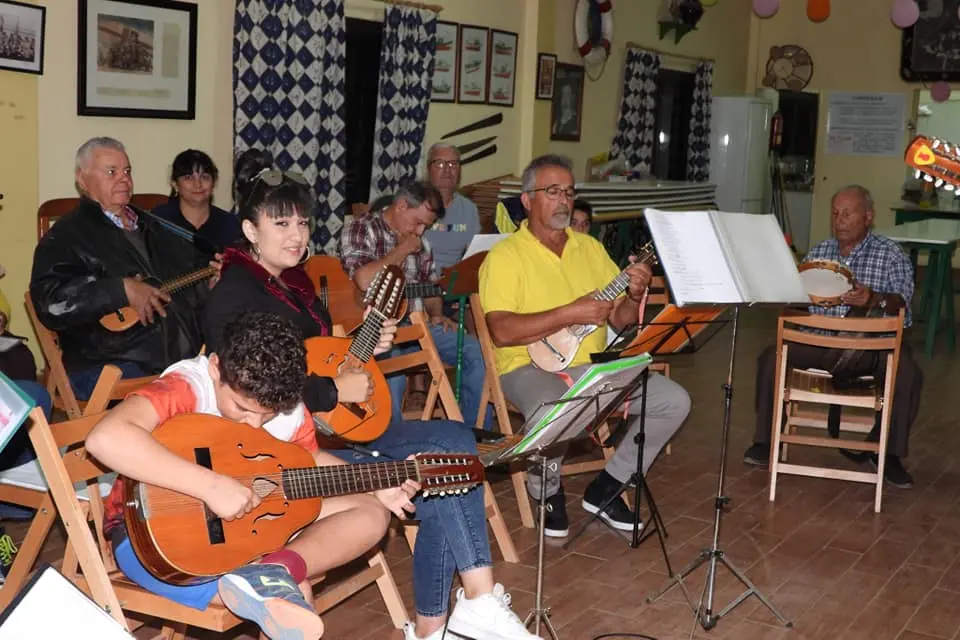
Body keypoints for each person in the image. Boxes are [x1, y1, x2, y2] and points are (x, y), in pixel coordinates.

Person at [205, 168, 539, 640]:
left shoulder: (293, 284)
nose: (297, 235)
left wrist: (364, 347)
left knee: (455, 439)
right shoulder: (233, 294)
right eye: (281, 224)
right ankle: (444, 620)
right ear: (249, 230)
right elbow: (244, 389)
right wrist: (334, 391)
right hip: (285, 450)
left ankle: (456, 614)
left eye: (302, 223)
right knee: (442, 464)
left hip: (330, 427)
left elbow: (317, 357)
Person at [86, 311, 415, 639]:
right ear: (216, 368)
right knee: (290, 600)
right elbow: (105, 439)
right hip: (150, 541)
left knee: (372, 512)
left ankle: (275, 570)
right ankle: (272, 582)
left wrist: (376, 486)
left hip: (251, 528)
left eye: (267, 414)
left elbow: (310, 459)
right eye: (242, 409)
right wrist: (210, 485)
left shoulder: (286, 402)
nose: (254, 425)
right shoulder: (187, 387)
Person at [478, 154, 691, 538]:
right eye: (553, 191)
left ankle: (608, 486)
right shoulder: (505, 256)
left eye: (570, 193)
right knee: (562, 406)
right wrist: (568, 312)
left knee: (673, 400)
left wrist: (633, 294)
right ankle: (547, 490)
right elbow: (502, 332)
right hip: (527, 366)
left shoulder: (589, 248)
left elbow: (619, 319)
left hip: (594, 365)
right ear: (527, 200)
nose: (564, 200)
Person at [743, 185, 922, 488]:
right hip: (819, 340)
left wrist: (874, 298)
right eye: (836, 213)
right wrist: (785, 291)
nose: (840, 220)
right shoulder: (820, 252)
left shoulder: (891, 253)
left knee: (907, 373)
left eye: (848, 213)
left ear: (868, 216)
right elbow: (799, 298)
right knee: (771, 358)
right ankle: (765, 442)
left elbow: (902, 303)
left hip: (868, 347)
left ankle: (888, 454)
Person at [29, 137, 209, 401]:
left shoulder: (156, 228)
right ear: (82, 178)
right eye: (111, 172)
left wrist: (210, 284)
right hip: (109, 358)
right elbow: (51, 302)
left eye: (127, 171)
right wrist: (120, 290)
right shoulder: (66, 236)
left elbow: (186, 282)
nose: (124, 179)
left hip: (175, 351)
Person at [340, 181, 492, 430]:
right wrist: (402, 250)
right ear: (400, 206)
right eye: (418, 222)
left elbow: (431, 288)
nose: (421, 231)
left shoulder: (422, 243)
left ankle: (475, 434)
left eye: (426, 226)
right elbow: (364, 280)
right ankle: (393, 445)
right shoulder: (361, 227)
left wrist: (435, 313)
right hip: (373, 330)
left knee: (476, 352)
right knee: (393, 369)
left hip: (417, 323)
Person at [152, 149, 241, 261]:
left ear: (213, 183)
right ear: (175, 184)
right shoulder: (157, 222)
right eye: (188, 178)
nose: (198, 184)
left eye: (204, 177)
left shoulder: (230, 225)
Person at [423, 143, 481, 271]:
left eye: (453, 164)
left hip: (452, 282)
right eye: (440, 163)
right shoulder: (416, 204)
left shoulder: (469, 209)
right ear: (428, 169)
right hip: (418, 281)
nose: (447, 169)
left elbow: (473, 256)